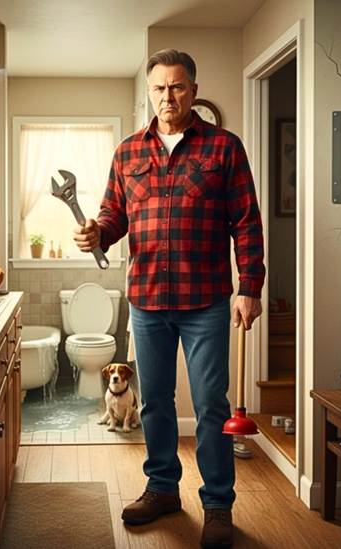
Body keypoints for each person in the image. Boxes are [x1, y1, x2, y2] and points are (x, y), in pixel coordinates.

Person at [73, 48, 265, 549]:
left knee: (210, 405)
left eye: (177, 87)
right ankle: (162, 489)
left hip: (205, 301)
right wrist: (98, 234)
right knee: (154, 401)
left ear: (193, 91)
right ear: (149, 93)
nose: (167, 97)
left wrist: (250, 287)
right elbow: (115, 215)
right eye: (158, 88)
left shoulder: (224, 148)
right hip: (147, 299)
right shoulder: (128, 153)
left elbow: (246, 222)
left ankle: (218, 505)